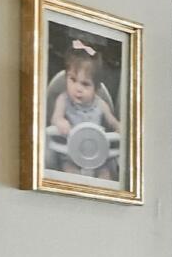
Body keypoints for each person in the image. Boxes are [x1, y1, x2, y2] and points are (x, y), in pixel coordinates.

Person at [45, 39, 121, 175]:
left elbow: (113, 123)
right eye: (72, 80)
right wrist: (60, 122)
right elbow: (55, 118)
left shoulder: (101, 104)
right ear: (66, 78)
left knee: (106, 174)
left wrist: (119, 128)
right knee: (70, 174)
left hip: (97, 156)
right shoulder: (63, 99)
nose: (77, 88)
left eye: (85, 84)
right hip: (70, 154)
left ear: (96, 89)